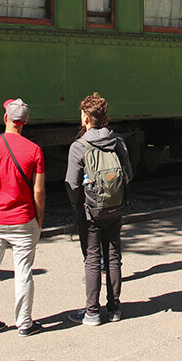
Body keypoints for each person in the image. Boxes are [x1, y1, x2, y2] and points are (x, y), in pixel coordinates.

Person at [0, 98, 46, 337]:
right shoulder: (34, 150)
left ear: (5, 118)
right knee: (24, 271)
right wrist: (39, 218)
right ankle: (24, 323)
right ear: (25, 121)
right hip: (24, 220)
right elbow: (38, 191)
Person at [65, 93, 134, 326]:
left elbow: (72, 184)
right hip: (116, 208)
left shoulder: (78, 146)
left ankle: (92, 313)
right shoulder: (118, 141)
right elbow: (129, 174)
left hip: (90, 210)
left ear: (85, 118)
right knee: (113, 256)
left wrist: (78, 206)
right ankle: (115, 309)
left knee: (93, 259)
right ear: (105, 118)